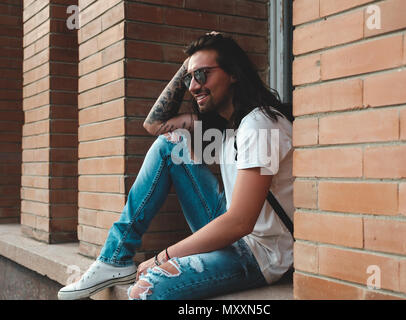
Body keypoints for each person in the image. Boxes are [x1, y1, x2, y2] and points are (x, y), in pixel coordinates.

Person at [58, 32, 294, 300]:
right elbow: (154, 125)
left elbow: (240, 222)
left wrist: (163, 256)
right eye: (189, 78)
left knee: (145, 289)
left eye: (202, 75)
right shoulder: (230, 126)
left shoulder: (260, 124)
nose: (193, 86)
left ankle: (122, 262)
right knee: (171, 142)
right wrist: (192, 63)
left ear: (234, 73)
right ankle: (114, 258)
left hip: (263, 253)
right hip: (237, 233)